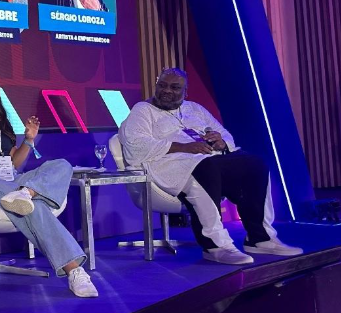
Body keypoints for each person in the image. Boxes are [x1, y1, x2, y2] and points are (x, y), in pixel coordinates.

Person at [118, 68, 303, 265]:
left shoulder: (194, 109)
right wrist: (184, 147)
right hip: (171, 163)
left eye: (174, 87)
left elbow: (224, 134)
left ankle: (260, 238)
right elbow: (135, 144)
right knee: (204, 169)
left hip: (209, 159)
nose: (167, 91)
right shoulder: (143, 110)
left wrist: (222, 142)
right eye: (162, 85)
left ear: (185, 92)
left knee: (255, 164)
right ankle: (216, 246)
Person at [0, 70, 98, 297]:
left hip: (11, 177)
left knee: (62, 165)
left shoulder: (2, 120)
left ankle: (27, 192)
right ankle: (74, 271)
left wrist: (28, 140)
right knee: (33, 207)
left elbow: (14, 162)